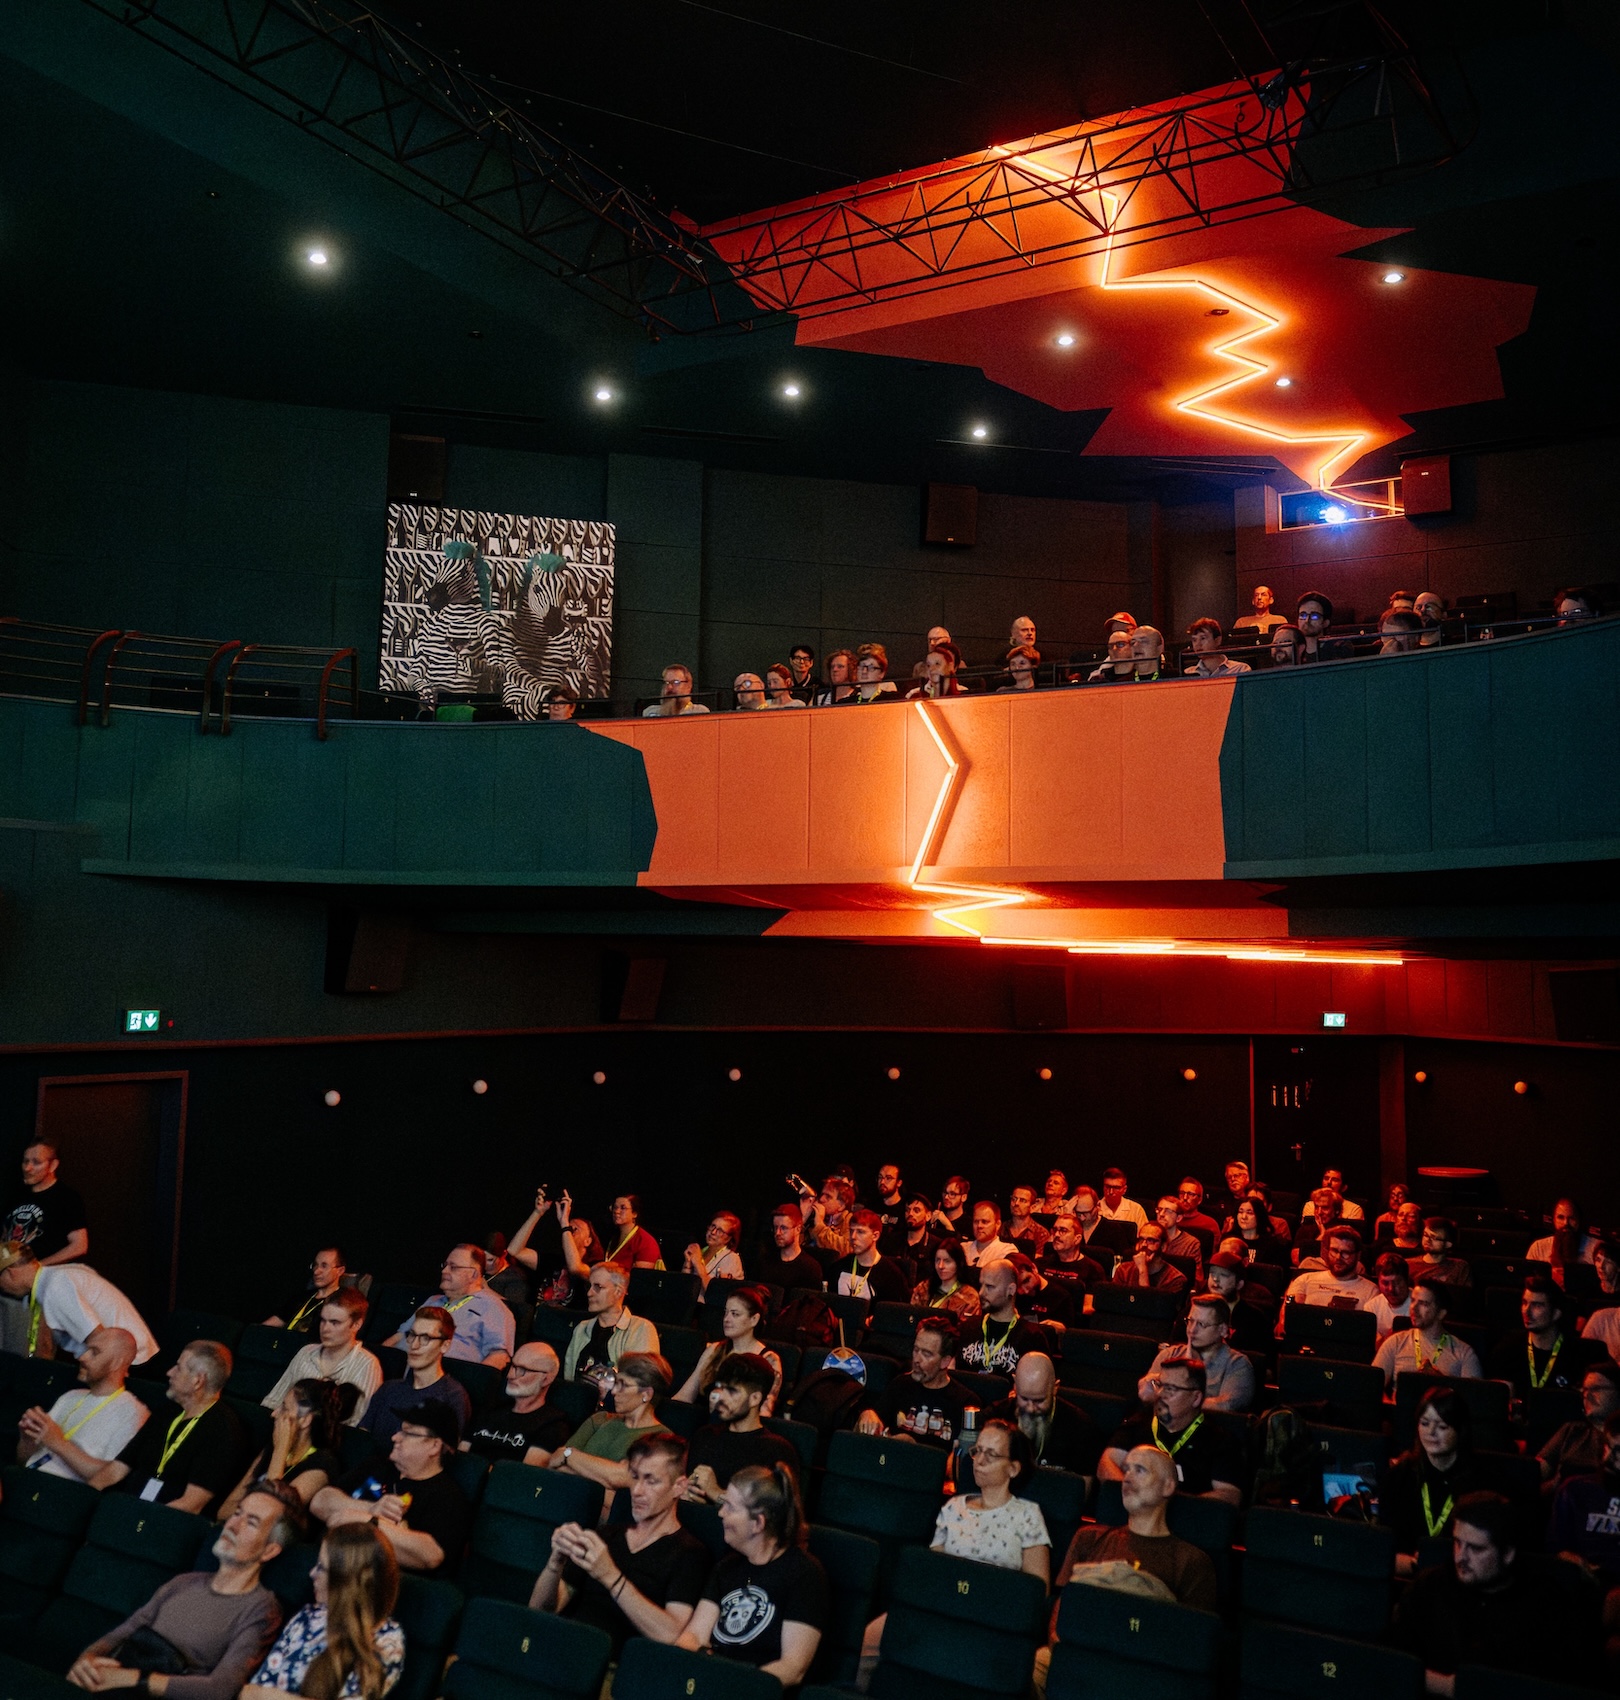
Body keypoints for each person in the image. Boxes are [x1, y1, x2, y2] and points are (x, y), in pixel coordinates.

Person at [68, 1479, 296, 1697]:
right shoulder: (184, 1582)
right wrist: (87, 1660)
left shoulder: (261, 1609)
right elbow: (125, 1631)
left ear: (269, 1550)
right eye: (237, 1513)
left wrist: (132, 1679)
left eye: (252, 1522)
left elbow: (221, 1689)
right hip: (111, 1685)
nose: (233, 1526)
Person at [1394, 1490, 1602, 1693]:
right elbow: (1393, 1662)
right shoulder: (1428, 1587)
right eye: (1457, 1543)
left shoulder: (1546, 1605)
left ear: (1508, 1554)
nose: (1460, 1557)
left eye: (1476, 1548)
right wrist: (1447, 1686)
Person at [530, 1431, 709, 1657]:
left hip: (620, 1665)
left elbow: (671, 1635)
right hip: (565, 1649)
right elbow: (540, 1609)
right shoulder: (606, 1536)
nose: (637, 1491)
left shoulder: (690, 1553)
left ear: (679, 1486)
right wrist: (555, 1564)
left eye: (651, 1481)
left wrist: (610, 1576)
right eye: (634, 1477)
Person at [679, 1465, 827, 1685]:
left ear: (758, 1523)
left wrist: (736, 1687)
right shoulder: (727, 1567)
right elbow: (693, 1636)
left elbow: (793, 1667)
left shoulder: (804, 1574)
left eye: (730, 1507)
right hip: (709, 1681)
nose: (720, 1513)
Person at [245, 1521, 405, 1699]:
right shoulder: (309, 1616)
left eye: (322, 1568)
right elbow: (252, 1691)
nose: (312, 1573)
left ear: (348, 1583)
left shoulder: (386, 1640)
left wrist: (268, 1695)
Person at [314, 1403, 473, 1576]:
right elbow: (319, 1502)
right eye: (399, 1430)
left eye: (407, 1433)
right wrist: (371, 1509)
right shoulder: (378, 1465)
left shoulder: (447, 1497)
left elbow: (431, 1555)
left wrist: (368, 1521)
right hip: (320, 1560)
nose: (395, 1437)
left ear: (434, 1446)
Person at [93, 1340, 248, 1515]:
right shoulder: (167, 1411)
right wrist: (86, 1501)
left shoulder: (223, 1430)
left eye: (178, 1368)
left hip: (162, 1522)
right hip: (124, 1508)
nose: (169, 1372)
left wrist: (138, 1519)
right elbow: (116, 1470)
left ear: (198, 1381)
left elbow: (192, 1504)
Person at [1052, 1445, 1217, 1607]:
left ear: (1168, 1487)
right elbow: (1061, 1606)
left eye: (1140, 1470)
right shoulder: (1089, 1538)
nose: (1127, 1478)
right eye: (1126, 1470)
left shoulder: (1191, 1561)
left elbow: (1193, 1624)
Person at [1098, 1357, 1242, 1505]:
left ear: (1196, 1398)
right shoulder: (1140, 1422)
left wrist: (1170, 1508)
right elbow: (1106, 1464)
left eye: (1170, 1389)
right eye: (1159, 1385)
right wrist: (1136, 1497)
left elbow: (1229, 1495)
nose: (1160, 1394)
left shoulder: (1219, 1440)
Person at [16, 1324, 148, 1482]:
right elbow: (23, 1461)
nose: (82, 1357)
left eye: (94, 1352)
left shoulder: (132, 1413)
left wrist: (58, 1442)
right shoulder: (70, 1396)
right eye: (86, 1349)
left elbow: (110, 1477)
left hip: (62, 1491)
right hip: (26, 1480)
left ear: (116, 1363)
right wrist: (27, 1440)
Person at [0, 1240, 157, 1363]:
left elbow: (101, 1341)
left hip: (128, 1363)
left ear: (10, 1273)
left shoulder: (55, 1286)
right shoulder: (53, 1277)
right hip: (124, 1358)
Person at [1381, 1388, 1483, 1577]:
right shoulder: (1401, 1474)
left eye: (1442, 1426)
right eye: (1425, 1423)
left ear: (1460, 1430)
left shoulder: (1480, 1481)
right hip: (1404, 1576)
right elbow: (1382, 1540)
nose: (1431, 1432)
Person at [933, 1419, 1050, 1580]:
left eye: (991, 1454)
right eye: (978, 1451)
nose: (979, 1461)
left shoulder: (1027, 1515)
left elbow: (1037, 1587)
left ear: (1013, 1468)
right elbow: (933, 1570)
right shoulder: (953, 1507)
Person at [683, 1354, 799, 1502]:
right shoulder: (704, 1436)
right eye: (720, 1388)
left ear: (755, 1399)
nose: (721, 1397)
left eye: (732, 1391)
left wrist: (716, 1492)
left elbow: (775, 1510)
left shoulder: (776, 1450)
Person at [550, 1352, 673, 1492]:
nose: (613, 1391)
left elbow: (623, 1479)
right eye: (615, 1383)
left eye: (623, 1385)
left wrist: (570, 1455)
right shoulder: (600, 1419)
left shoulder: (662, 1438)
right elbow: (556, 1463)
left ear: (646, 1394)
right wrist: (608, 1482)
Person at [221, 1379, 344, 1519]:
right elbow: (224, 1511)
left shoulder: (322, 1464)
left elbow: (267, 1513)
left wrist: (280, 1448)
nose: (274, 1413)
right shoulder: (272, 1447)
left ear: (305, 1420)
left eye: (284, 1408)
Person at [261, 1288, 382, 1424]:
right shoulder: (306, 1353)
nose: (325, 1328)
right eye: (323, 1320)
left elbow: (356, 1422)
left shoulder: (367, 1365)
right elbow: (274, 1400)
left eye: (335, 1322)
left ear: (356, 1324)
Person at [358, 1307, 471, 1450]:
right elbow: (362, 1438)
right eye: (412, 1335)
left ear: (445, 1345)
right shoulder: (388, 1389)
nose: (414, 1345)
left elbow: (446, 1453)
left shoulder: (453, 1396)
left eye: (425, 1338)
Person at [385, 1245, 513, 1370]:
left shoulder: (492, 1307)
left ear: (473, 1274)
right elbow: (400, 1336)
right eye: (445, 1265)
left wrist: (473, 1380)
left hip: (447, 1377)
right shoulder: (433, 1301)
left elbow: (499, 1356)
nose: (444, 1271)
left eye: (453, 1267)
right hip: (399, 1371)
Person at [857, 1317, 971, 1450]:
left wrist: (912, 1447)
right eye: (916, 1350)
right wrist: (867, 1414)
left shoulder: (964, 1403)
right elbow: (875, 1425)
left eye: (926, 1354)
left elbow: (961, 1456)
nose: (917, 1359)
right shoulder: (899, 1385)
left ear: (945, 1362)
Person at [984, 1350, 1101, 1477]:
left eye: (1039, 1401)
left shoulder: (1080, 1427)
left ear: (1055, 1388)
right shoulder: (995, 1416)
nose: (1030, 1409)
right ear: (1015, 1385)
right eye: (1024, 1399)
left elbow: (1082, 1485)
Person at [673, 1284, 783, 1416]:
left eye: (735, 1314)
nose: (726, 1319)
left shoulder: (769, 1359)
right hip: (704, 1420)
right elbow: (686, 1395)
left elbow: (764, 1412)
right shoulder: (714, 1349)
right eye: (726, 1312)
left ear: (754, 1319)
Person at [1487, 1276, 1605, 1400]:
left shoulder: (1583, 1355)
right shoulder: (1507, 1349)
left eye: (1537, 1305)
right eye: (1525, 1303)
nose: (1526, 1311)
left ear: (1556, 1313)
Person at [1137, 1297, 1256, 1413]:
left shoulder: (1237, 1364)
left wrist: (1175, 1400)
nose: (1192, 1330)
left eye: (1201, 1324)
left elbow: (1226, 1406)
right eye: (1190, 1321)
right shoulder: (1169, 1354)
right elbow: (1146, 1391)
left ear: (1223, 1330)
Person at [462, 1341, 572, 1466]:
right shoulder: (490, 1409)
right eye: (512, 1366)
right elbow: (460, 1457)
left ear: (546, 1379)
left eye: (522, 1370)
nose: (510, 1375)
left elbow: (523, 1473)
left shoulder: (553, 1425)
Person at [562, 1262, 661, 1389]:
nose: (589, 1293)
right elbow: (569, 1379)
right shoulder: (582, 1328)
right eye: (589, 1286)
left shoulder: (641, 1329)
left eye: (598, 1287)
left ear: (618, 1292)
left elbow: (641, 1384)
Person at [1550, 1413, 1620, 1592]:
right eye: (1608, 1447)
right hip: (1583, 1585)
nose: (1609, 1457)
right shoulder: (1575, 1490)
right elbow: (1555, 1548)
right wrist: (1571, 1559)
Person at [505, 1186, 601, 1309]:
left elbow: (575, 1267)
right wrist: (538, 1213)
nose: (569, 1231)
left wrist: (564, 1223)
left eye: (575, 1229)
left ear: (588, 1241)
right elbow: (514, 1250)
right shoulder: (553, 1261)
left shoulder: (594, 1267)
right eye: (568, 1228)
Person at [3, 1139, 88, 1264]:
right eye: (25, 1161)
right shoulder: (17, 1195)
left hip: (44, 1274)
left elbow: (79, 1246)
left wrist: (38, 1268)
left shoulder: (67, 1198)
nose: (27, 1168)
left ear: (53, 1165)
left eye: (36, 1162)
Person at [958, 1261, 1046, 1376]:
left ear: (1011, 1290)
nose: (981, 1293)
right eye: (981, 1285)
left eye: (989, 1287)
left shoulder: (1032, 1337)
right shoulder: (968, 1328)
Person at [1540, 1365, 1620, 1487]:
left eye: (1596, 1388)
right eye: (1584, 1390)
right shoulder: (1572, 1431)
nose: (1587, 1395)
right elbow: (1537, 1471)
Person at [1283, 1226, 1376, 1311]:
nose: (1338, 1257)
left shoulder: (1371, 1291)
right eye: (1334, 1251)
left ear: (1358, 1255)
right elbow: (1287, 1317)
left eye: (1346, 1253)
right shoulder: (1304, 1280)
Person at [264, 1247, 348, 1331]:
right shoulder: (301, 1297)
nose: (316, 1271)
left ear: (340, 1271)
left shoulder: (342, 1303)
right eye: (315, 1265)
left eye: (324, 1266)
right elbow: (267, 1326)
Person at [835, 1208, 910, 1302]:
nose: (853, 1237)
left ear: (875, 1236)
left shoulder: (892, 1276)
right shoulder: (838, 1267)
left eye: (860, 1232)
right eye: (851, 1231)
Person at [1205, 1251, 1275, 1351]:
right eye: (1212, 1273)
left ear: (1239, 1284)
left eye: (1224, 1275)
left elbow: (1263, 1357)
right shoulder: (1195, 1309)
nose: (1215, 1279)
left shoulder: (1255, 1319)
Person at [752, 1202, 825, 1294]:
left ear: (798, 1229)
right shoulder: (764, 1261)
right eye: (775, 1227)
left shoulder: (811, 1268)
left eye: (783, 1228)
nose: (778, 1233)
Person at [1037, 1212, 1108, 1293]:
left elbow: (1091, 1300)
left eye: (1063, 1230)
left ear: (1077, 1239)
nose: (1056, 1234)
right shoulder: (1040, 1264)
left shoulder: (1093, 1270)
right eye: (1055, 1230)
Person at [912, 1238, 981, 1319]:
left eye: (947, 1261)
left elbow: (968, 1326)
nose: (940, 1266)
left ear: (959, 1263)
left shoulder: (970, 1297)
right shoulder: (923, 1288)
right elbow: (912, 1317)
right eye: (937, 1260)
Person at [1113, 1222, 1189, 1295]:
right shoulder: (1123, 1271)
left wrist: (1143, 1270)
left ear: (1163, 1246)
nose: (1143, 1245)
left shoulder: (1175, 1280)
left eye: (1150, 1240)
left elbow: (1145, 1302)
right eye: (1141, 1240)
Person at [683, 1209, 745, 1297]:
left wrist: (698, 1264)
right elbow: (684, 1285)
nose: (713, 1232)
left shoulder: (731, 1258)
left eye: (720, 1231)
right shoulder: (702, 1251)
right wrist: (687, 1264)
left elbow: (718, 1294)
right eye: (713, 1226)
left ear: (729, 1238)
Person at [1009, 1253, 1075, 1328]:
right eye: (1018, 1287)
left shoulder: (1061, 1297)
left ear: (1034, 1269)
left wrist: (1060, 1329)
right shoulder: (1012, 1295)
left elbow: (1069, 1332)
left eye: (1026, 1281)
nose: (1025, 1291)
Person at [799, 1174, 856, 1259]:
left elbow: (847, 1249)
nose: (821, 1199)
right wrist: (803, 1220)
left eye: (828, 1196)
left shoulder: (850, 1221)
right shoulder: (815, 1218)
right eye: (822, 1194)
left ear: (841, 1205)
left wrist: (820, 1226)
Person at [1529, 1199, 1599, 1266]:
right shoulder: (1538, 1248)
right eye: (1561, 1217)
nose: (1566, 1223)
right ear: (1554, 1220)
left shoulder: (1596, 1249)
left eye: (1571, 1218)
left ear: (1578, 1221)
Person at [1407, 1218, 1472, 1289]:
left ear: (1448, 1244)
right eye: (1426, 1235)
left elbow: (1464, 1293)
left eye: (1434, 1238)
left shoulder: (1459, 1266)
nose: (1427, 1240)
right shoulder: (1409, 1264)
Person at [1153, 1195, 1205, 1282]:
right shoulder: (1149, 1237)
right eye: (1159, 1209)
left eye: (1168, 1211)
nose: (1161, 1214)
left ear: (1179, 1218)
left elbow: (1197, 1279)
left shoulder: (1191, 1243)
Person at [1227, 1198, 1290, 1268]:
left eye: (1250, 1213)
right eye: (1240, 1212)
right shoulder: (1228, 1240)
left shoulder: (1272, 1245)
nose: (1244, 1217)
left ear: (1259, 1216)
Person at [1365, 1251, 1415, 1339]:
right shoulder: (1372, 1308)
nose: (1391, 1289)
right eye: (1385, 1283)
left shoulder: (1420, 1305)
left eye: (1397, 1282)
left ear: (1407, 1280)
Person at [1183, 617, 1251, 677]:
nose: (1198, 644)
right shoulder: (1188, 673)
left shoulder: (1240, 670)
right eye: (1194, 640)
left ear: (1217, 640)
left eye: (1203, 638)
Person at [883, 1191, 937, 1266]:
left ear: (928, 1216)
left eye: (916, 1210)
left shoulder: (935, 1246)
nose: (910, 1214)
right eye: (907, 1210)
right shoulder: (892, 1241)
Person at [1296, 591, 1351, 662]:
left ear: (1325, 623)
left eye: (1314, 616)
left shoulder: (1338, 647)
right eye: (1303, 615)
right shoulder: (1292, 650)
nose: (1307, 620)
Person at [962, 1201, 1018, 1270]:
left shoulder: (1007, 1251)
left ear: (998, 1224)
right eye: (976, 1221)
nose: (979, 1226)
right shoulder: (963, 1248)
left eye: (984, 1222)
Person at [1174, 1179, 1223, 1256]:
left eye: (1190, 1194)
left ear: (1199, 1200)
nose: (1185, 1197)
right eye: (1182, 1193)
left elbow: (1214, 1255)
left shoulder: (1209, 1224)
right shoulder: (1171, 1219)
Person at [642, 664, 709, 717]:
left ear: (688, 686)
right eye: (666, 683)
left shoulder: (698, 712)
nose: (669, 687)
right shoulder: (650, 712)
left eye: (676, 682)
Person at [1301, 1168, 1365, 1221]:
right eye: (1326, 1178)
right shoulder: (1310, 1205)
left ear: (1344, 1187)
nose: (1329, 1182)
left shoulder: (1354, 1209)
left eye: (1335, 1180)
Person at [1006, 1186, 1050, 1254]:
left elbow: (1040, 1259)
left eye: (1022, 1200)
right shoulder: (1000, 1228)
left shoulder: (1041, 1233)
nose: (1016, 1203)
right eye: (1014, 1199)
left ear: (1032, 1207)